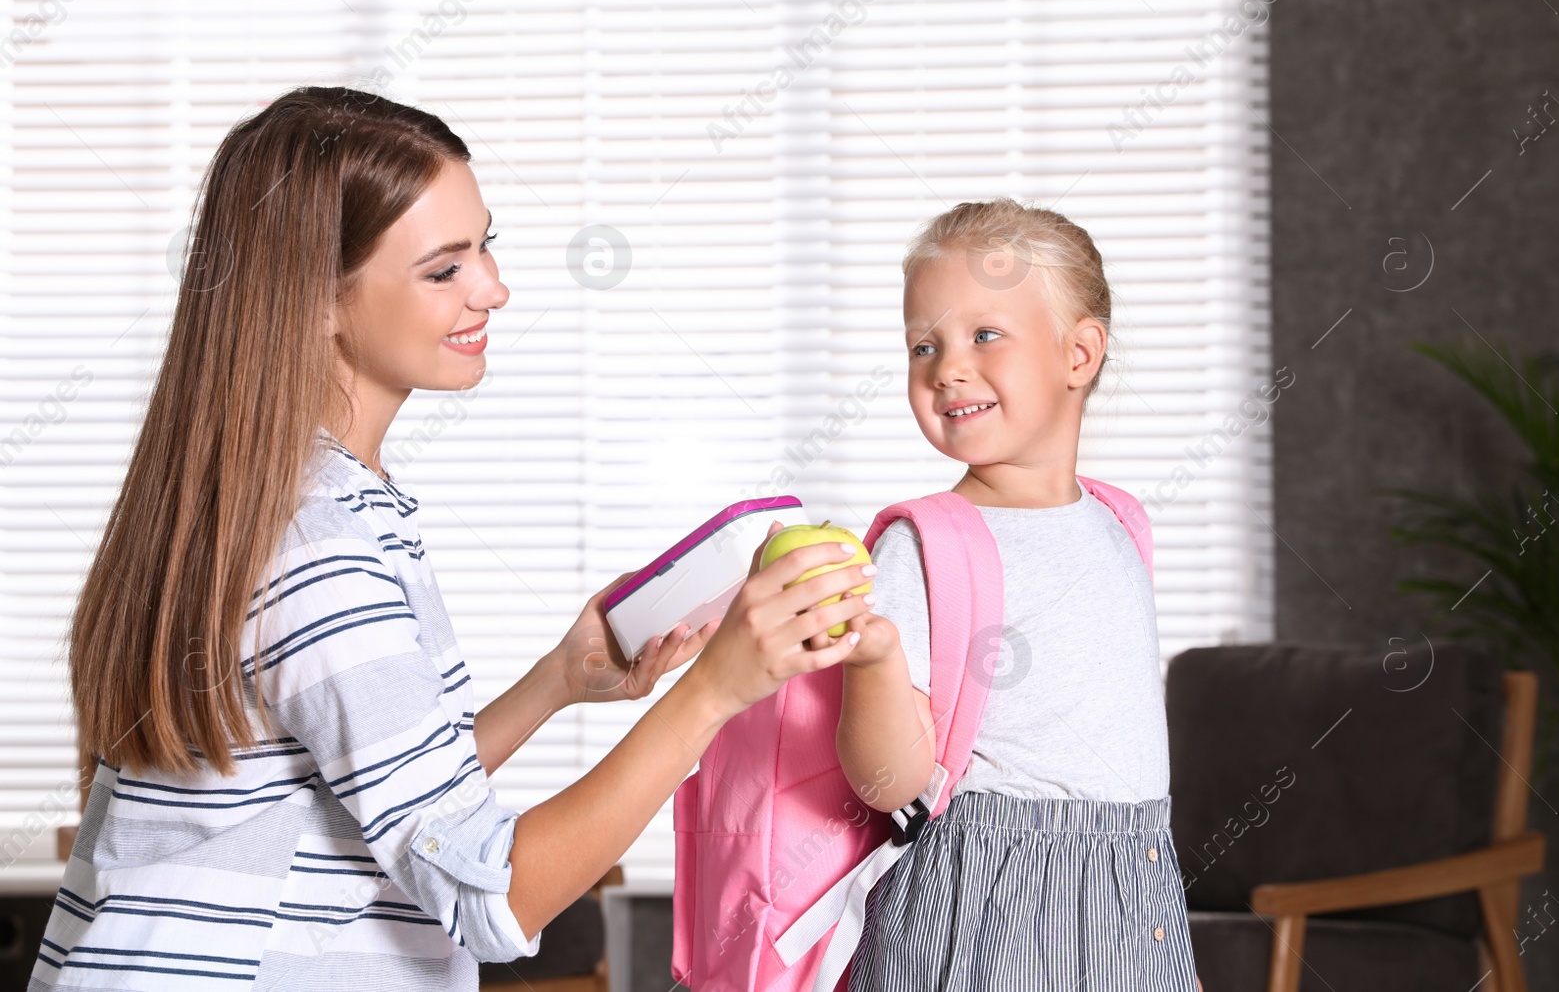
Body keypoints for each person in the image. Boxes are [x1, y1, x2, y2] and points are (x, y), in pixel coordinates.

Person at [31, 86, 872, 990]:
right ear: (315, 300)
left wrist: (556, 680)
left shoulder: (288, 504)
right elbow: (490, 896)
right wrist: (712, 692)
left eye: (486, 247)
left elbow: (373, 798)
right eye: (444, 270)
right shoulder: (318, 549)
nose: (494, 290)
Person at [829, 198, 1201, 990]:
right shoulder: (923, 545)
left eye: (983, 335)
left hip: (1132, 895)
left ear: (1080, 353)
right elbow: (887, 786)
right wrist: (875, 660)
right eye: (922, 345)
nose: (946, 367)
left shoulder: (1119, 524)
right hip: (985, 914)